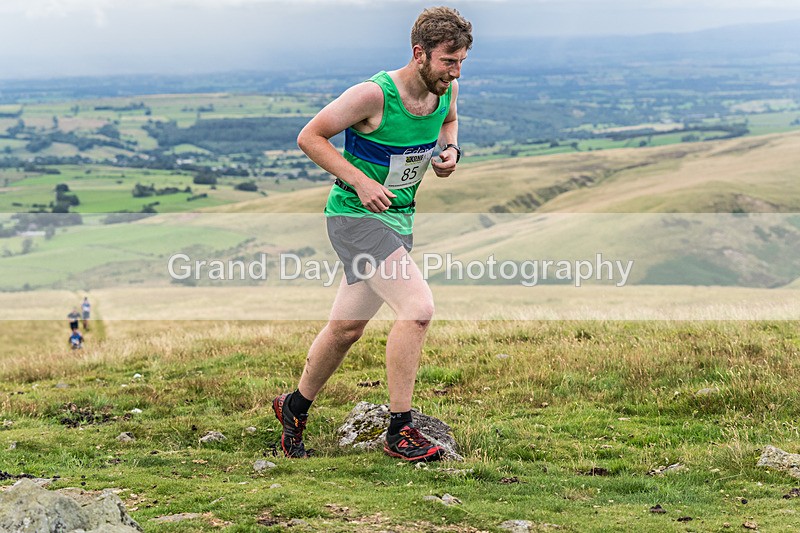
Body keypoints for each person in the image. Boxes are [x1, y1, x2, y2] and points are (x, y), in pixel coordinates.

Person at [272, 6, 472, 463]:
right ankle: (400, 430)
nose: (455, 71)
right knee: (417, 310)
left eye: (461, 61)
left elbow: (447, 121)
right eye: (447, 61)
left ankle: (294, 407)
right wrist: (361, 182)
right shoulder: (373, 95)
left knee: (345, 329)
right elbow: (310, 136)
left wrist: (451, 150)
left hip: (399, 219)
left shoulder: (447, 90)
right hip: (354, 218)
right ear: (419, 53)